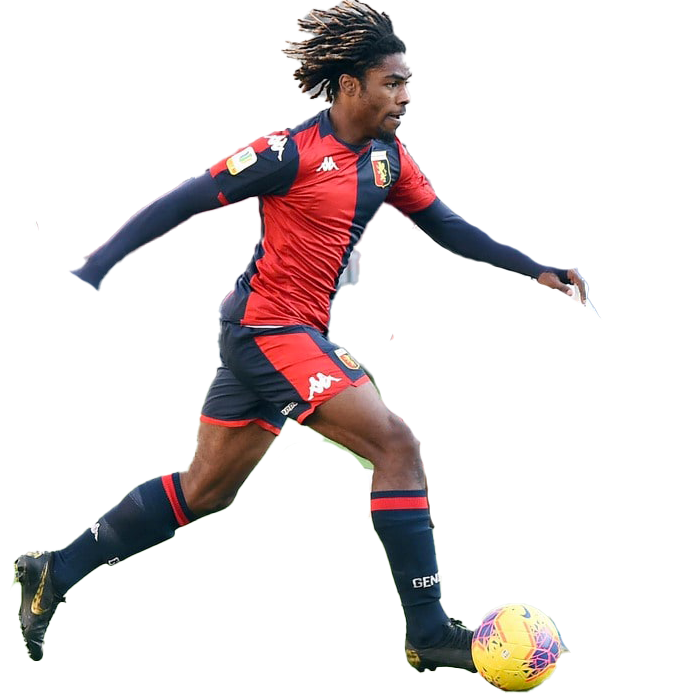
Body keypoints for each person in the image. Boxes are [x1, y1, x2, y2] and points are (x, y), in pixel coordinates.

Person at [14, 0, 585, 675]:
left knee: (205, 490)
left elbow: (449, 228)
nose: (405, 96)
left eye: (406, 82)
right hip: (267, 330)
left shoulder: (387, 159)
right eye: (392, 83)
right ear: (349, 86)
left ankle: (57, 569)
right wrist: (94, 270)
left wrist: (533, 267)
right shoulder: (286, 154)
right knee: (397, 445)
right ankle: (429, 630)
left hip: (277, 334)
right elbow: (179, 202)